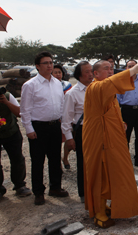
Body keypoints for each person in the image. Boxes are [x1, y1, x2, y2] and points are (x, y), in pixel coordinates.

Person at [82, 60, 138, 228]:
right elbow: (111, 83)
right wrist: (133, 71)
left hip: (111, 138)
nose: (110, 71)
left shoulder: (108, 92)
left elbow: (113, 111)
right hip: (100, 141)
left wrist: (120, 123)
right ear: (95, 74)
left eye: (111, 68)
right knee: (102, 173)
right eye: (106, 69)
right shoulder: (95, 88)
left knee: (115, 173)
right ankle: (99, 212)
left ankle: (106, 205)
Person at [20, 51, 68, 205]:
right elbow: (25, 109)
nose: (49, 65)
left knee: (55, 159)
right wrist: (29, 129)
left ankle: (55, 187)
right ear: (37, 66)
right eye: (45, 63)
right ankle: (38, 192)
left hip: (55, 125)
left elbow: (61, 104)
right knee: (38, 160)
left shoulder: (57, 83)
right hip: (38, 127)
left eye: (51, 62)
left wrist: (62, 124)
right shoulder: (30, 85)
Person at [0, 78, 31, 204]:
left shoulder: (6, 96)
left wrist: (6, 102)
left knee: (17, 158)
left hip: (11, 132)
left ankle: (20, 185)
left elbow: (19, 113)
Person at [61, 61, 93, 203]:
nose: (90, 74)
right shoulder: (72, 93)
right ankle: (84, 194)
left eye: (91, 71)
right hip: (82, 131)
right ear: (79, 75)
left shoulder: (96, 88)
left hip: (96, 130)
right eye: (86, 72)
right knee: (83, 163)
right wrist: (69, 138)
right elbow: (66, 118)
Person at [117, 60, 138, 167]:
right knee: (125, 136)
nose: (131, 68)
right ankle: (124, 161)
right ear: (126, 69)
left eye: (133, 66)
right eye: (129, 66)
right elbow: (118, 99)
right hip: (127, 111)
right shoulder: (122, 81)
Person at [53, 64, 73, 169]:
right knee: (57, 141)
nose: (57, 75)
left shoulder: (67, 85)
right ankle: (58, 162)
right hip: (56, 117)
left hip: (67, 115)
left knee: (68, 139)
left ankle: (65, 157)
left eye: (59, 72)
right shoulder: (50, 86)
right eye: (55, 72)